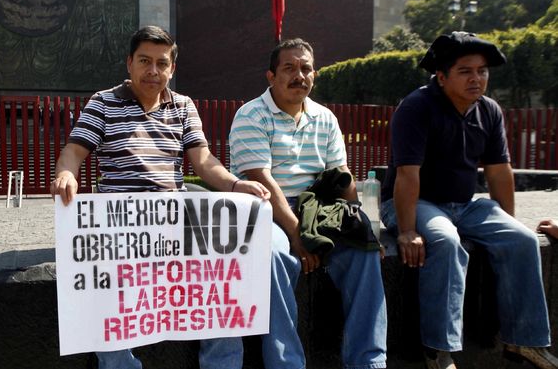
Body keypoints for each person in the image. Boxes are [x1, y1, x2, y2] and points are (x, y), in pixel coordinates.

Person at [50, 25, 270, 369]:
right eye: (144, 61)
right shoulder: (103, 102)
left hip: (172, 222)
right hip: (118, 227)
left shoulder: (183, 106)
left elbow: (203, 161)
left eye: (162, 63)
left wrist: (234, 185)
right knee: (104, 300)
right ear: (129, 63)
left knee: (224, 284)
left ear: (172, 68)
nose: (153, 70)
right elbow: (74, 151)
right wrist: (66, 174)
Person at [380, 31, 558, 369]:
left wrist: (506, 222)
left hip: (465, 205)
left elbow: (499, 172)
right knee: (446, 242)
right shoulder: (416, 107)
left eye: (482, 71)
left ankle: (524, 341)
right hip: (414, 202)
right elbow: (407, 174)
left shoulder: (489, 110)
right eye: (465, 71)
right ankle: (439, 351)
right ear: (442, 77)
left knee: (521, 239)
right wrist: (407, 230)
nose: (476, 79)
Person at [229, 38, 387, 369]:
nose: (298, 75)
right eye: (289, 68)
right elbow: (262, 180)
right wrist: (296, 233)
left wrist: (361, 224)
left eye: (306, 68)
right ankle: (286, 363)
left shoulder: (324, 117)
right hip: (263, 208)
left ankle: (369, 361)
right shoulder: (252, 114)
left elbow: (341, 176)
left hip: (316, 207)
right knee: (273, 256)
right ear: (271, 76)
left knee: (364, 251)